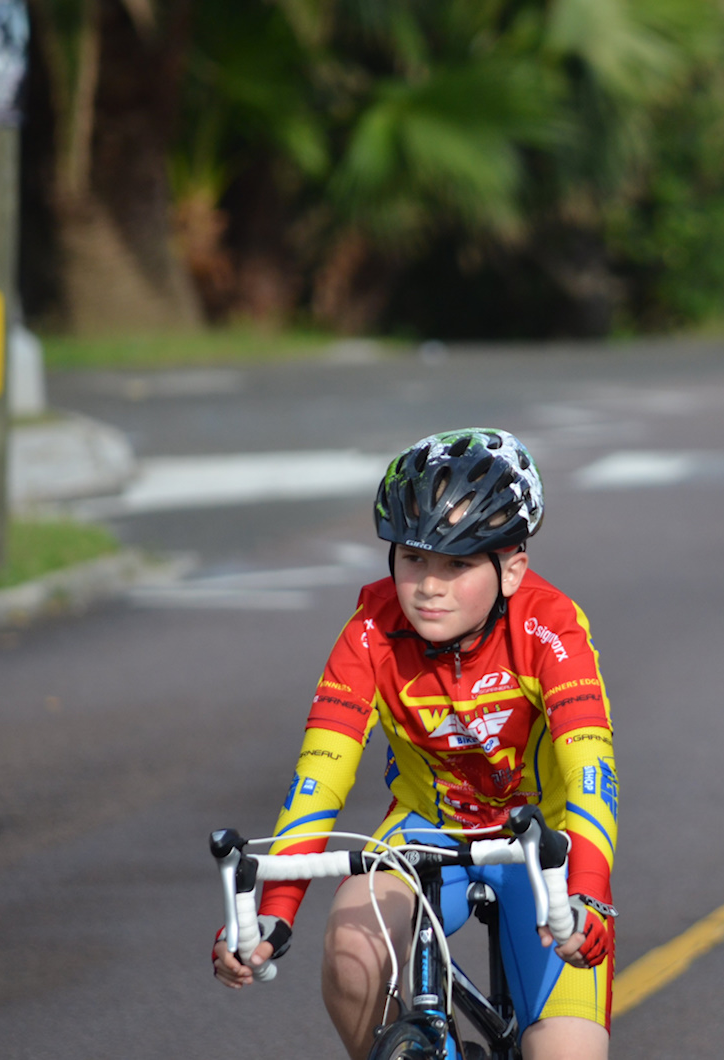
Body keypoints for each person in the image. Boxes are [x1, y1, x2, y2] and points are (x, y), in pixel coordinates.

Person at [213, 428, 617, 1060]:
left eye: (458, 565)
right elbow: (319, 779)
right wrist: (275, 909)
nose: (430, 586)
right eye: (414, 559)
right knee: (350, 954)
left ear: (511, 568)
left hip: (544, 842)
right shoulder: (371, 629)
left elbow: (592, 771)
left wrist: (586, 891)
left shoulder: (550, 627)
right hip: (426, 829)